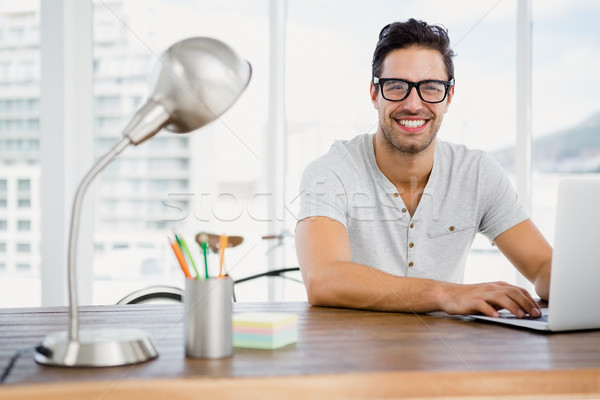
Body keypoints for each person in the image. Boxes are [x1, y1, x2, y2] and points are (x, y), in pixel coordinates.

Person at [295, 18, 552, 319]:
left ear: (449, 96)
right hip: (354, 356)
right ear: (375, 94)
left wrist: (575, 283)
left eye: (430, 87)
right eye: (396, 87)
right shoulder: (332, 171)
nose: (414, 104)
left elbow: (542, 266)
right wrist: (446, 293)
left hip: (444, 359)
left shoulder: (477, 172)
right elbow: (322, 279)